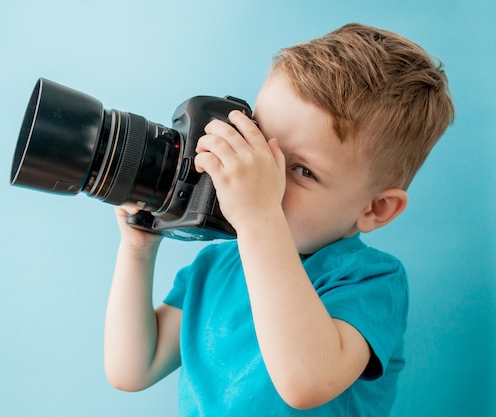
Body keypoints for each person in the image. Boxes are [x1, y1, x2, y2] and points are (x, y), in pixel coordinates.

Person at [103, 23, 454, 416]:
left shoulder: (369, 282)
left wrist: (258, 217)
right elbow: (133, 369)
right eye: (259, 143)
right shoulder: (216, 267)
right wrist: (138, 250)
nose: (263, 177)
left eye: (302, 170)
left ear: (376, 209)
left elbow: (304, 383)